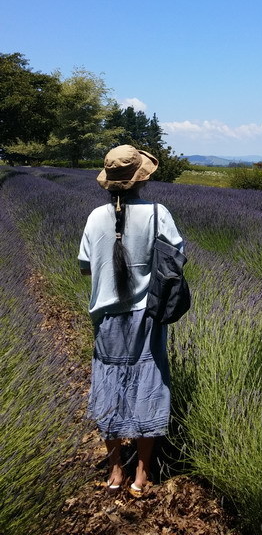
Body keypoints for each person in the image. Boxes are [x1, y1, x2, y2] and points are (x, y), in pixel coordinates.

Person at [78, 144, 184, 497]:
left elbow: (86, 267)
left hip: (107, 317)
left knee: (109, 386)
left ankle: (114, 471)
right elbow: (176, 261)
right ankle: (141, 472)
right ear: (142, 180)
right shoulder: (157, 213)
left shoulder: (95, 217)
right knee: (147, 384)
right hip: (147, 316)